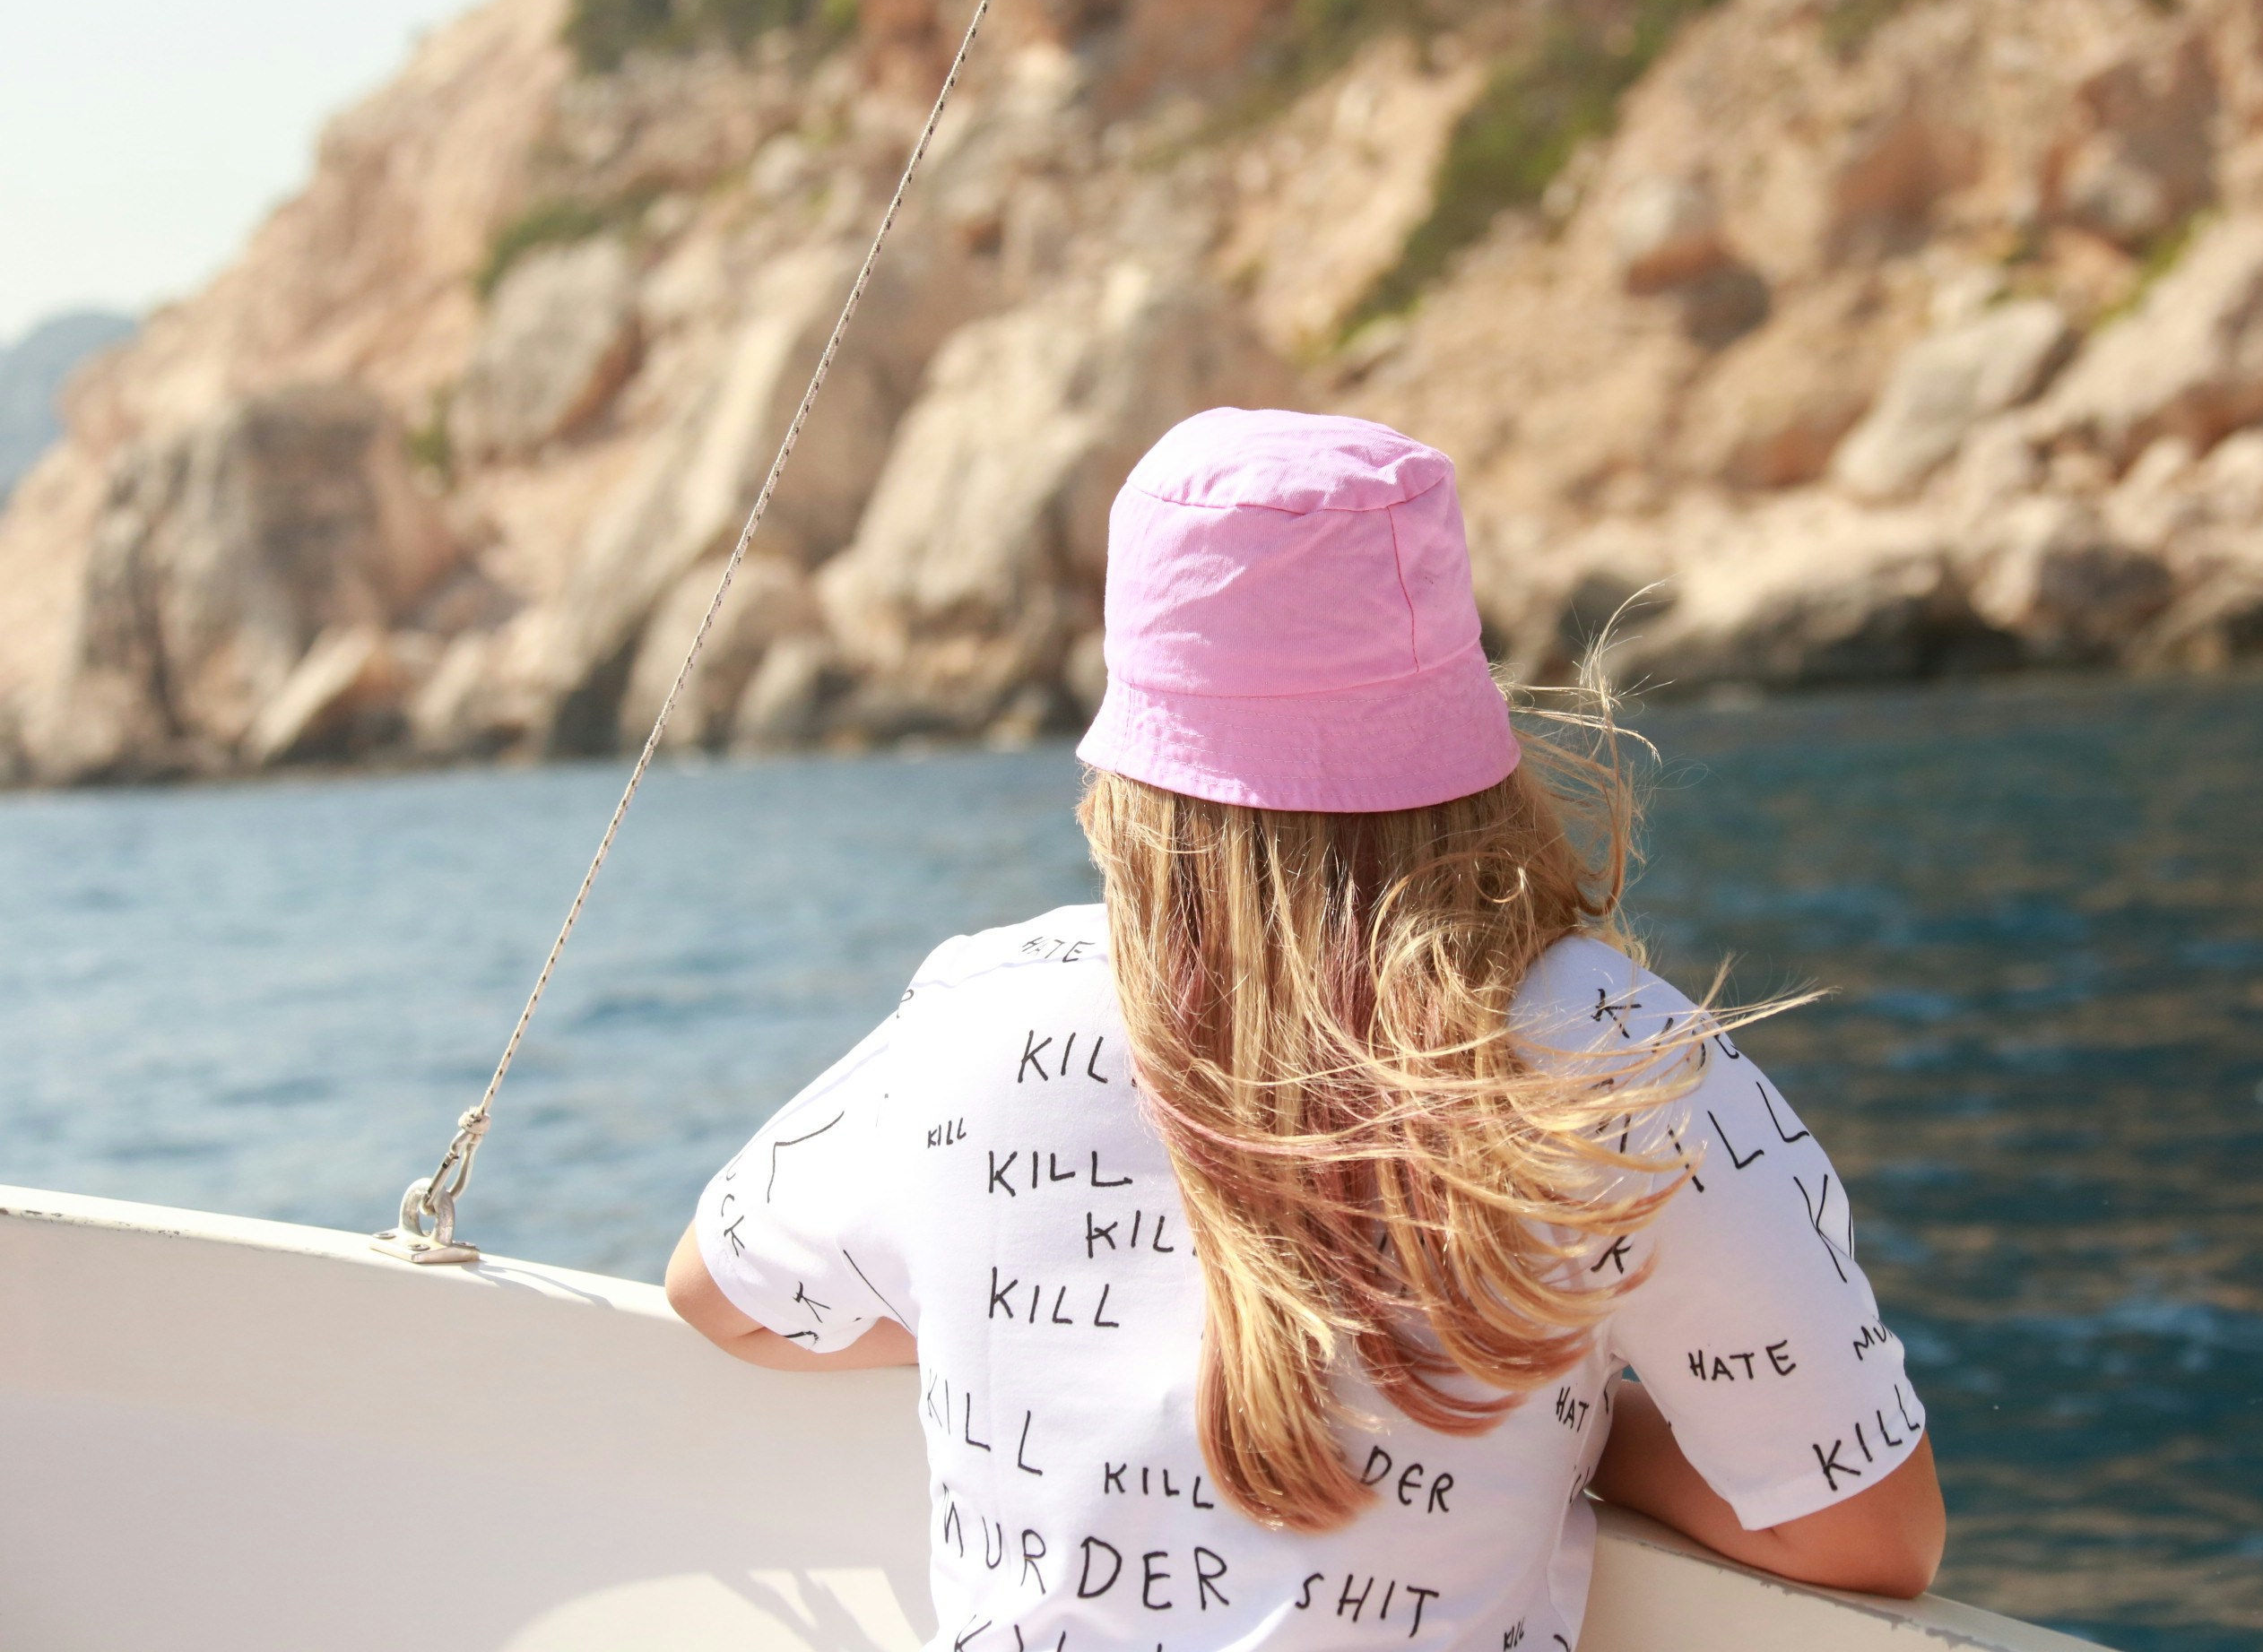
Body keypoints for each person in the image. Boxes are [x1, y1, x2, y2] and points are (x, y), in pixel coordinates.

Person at [666, 408, 1945, 1650]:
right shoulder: (1618, 1059)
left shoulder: (981, 1008)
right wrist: (1575, 1421)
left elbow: (723, 1299)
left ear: (1131, 755)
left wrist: (1027, 1340)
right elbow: (1864, 1535)